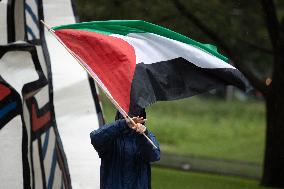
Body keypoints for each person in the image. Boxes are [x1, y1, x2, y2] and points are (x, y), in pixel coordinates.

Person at [90, 108, 160, 189]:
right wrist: (123, 124)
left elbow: (155, 155)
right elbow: (95, 138)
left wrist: (144, 134)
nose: (132, 118)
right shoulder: (112, 136)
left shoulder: (145, 136)